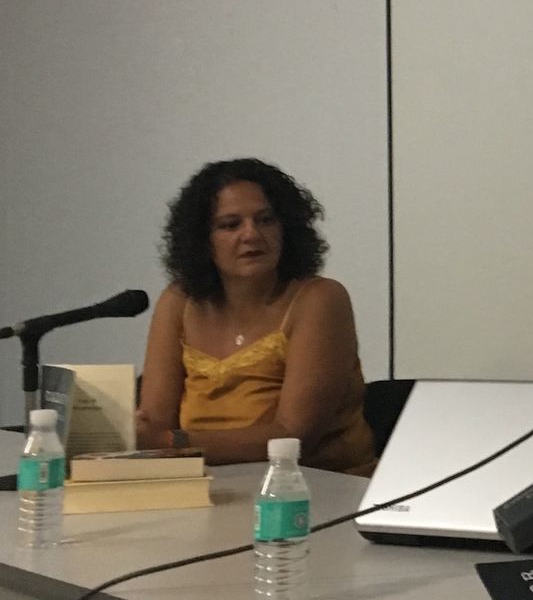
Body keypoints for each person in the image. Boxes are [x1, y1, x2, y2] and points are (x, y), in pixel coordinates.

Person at [135, 158, 376, 475]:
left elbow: (292, 437)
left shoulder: (320, 299)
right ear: (202, 240)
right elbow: (153, 421)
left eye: (265, 220)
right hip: (206, 484)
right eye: (230, 225)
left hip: (315, 488)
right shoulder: (178, 302)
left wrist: (173, 444)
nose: (251, 234)